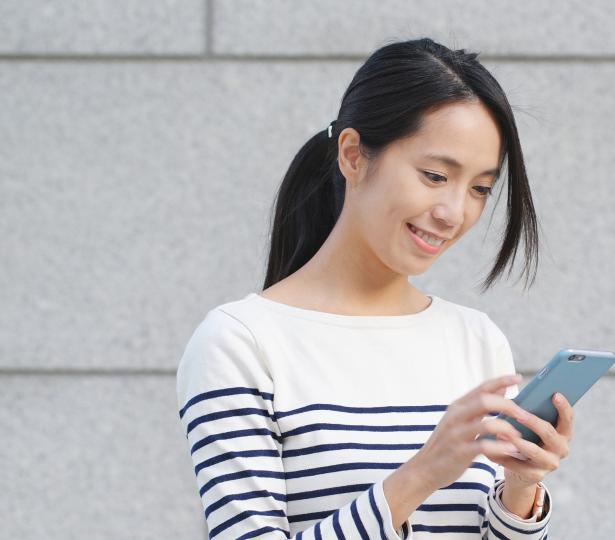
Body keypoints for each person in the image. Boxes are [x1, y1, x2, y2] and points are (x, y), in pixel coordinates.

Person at [176, 37, 574, 540]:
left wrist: (520, 490)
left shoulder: (476, 339)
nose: (454, 213)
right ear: (353, 156)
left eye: (479, 189)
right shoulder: (241, 341)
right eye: (434, 175)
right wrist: (420, 476)